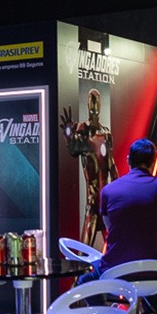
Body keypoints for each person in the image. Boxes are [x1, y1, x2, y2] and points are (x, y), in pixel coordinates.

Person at [78, 138, 157, 283]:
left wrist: (135, 228)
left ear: (128, 160)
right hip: (152, 271)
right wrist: (151, 228)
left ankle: (107, 299)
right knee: (148, 288)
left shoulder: (108, 190)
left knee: (83, 281)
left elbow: (111, 226)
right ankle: (147, 300)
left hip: (114, 270)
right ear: (153, 163)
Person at [60, 89, 118, 246]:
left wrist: (119, 188)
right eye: (91, 101)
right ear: (87, 104)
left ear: (100, 105)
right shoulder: (82, 130)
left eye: (96, 101)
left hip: (106, 200)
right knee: (87, 245)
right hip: (93, 201)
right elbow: (74, 150)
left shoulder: (106, 134)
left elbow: (112, 165)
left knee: (114, 245)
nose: (94, 106)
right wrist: (69, 137)